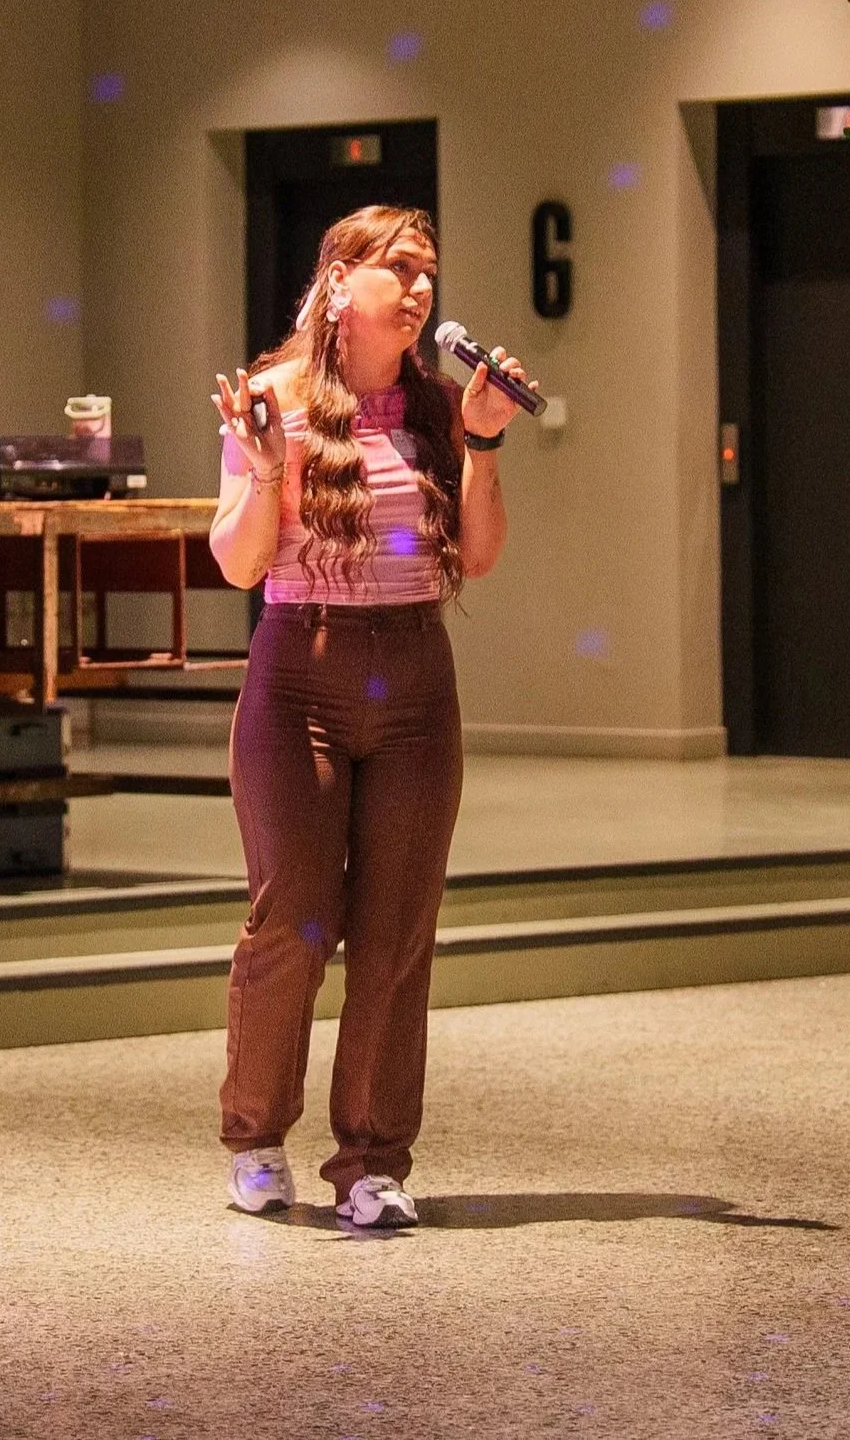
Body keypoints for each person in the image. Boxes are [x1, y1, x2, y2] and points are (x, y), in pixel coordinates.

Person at [205, 204, 529, 1229]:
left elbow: (475, 557)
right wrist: (266, 472)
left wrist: (481, 443)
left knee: (396, 932)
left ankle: (372, 1161)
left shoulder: (440, 408)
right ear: (340, 283)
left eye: (429, 270)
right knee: (295, 918)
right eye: (400, 268)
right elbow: (240, 562)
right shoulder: (274, 399)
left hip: (414, 680)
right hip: (299, 673)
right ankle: (255, 1135)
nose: (422, 288)